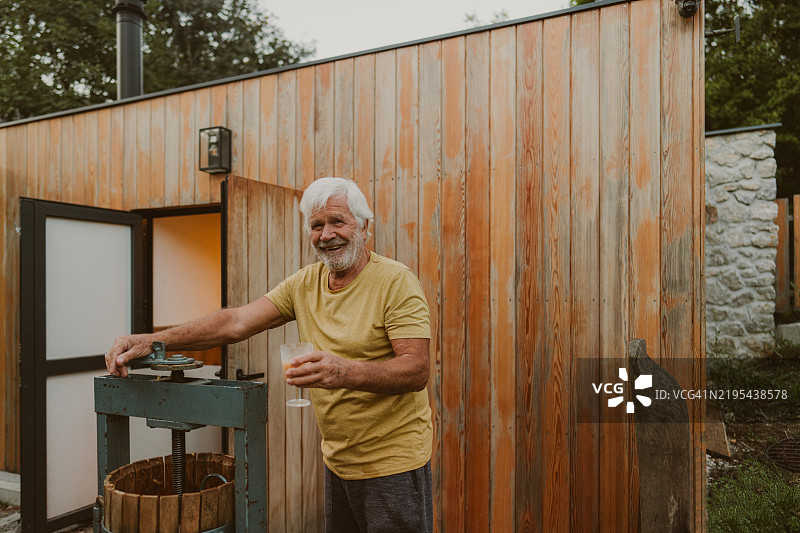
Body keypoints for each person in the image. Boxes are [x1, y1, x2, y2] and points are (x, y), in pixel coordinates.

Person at [105, 177, 434, 533]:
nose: (326, 235)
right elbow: (234, 322)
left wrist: (343, 372)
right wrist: (155, 342)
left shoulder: (396, 282)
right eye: (317, 225)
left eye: (337, 221)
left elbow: (415, 369)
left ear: (364, 226)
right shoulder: (305, 283)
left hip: (393, 465)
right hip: (338, 461)